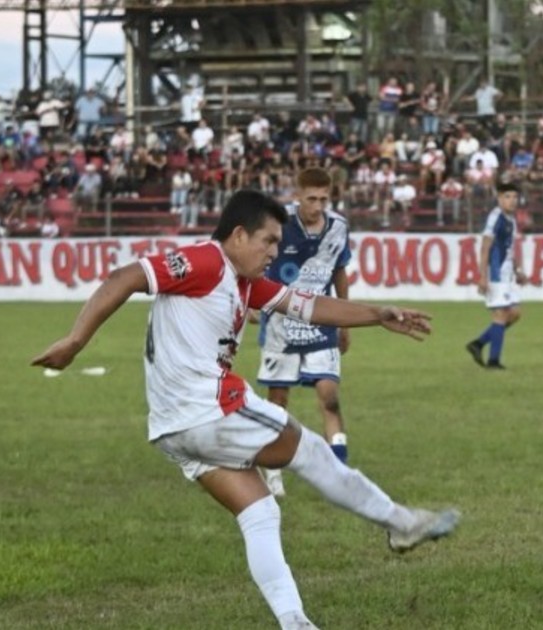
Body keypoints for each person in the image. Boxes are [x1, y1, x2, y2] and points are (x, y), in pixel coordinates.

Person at [31, 190, 459, 630]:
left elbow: (309, 306)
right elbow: (126, 276)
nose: (274, 252)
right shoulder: (206, 261)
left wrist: (378, 314)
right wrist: (75, 341)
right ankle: (400, 522)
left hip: (172, 430)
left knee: (260, 513)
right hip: (209, 412)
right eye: (268, 241)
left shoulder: (245, 282)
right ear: (238, 235)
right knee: (312, 451)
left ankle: (295, 622)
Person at [256, 168, 352, 498]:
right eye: (311, 199)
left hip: (321, 320)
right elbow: (257, 261)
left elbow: (340, 272)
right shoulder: (278, 224)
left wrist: (345, 319)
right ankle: (273, 472)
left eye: (324, 199)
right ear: (298, 196)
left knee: (330, 396)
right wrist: (253, 301)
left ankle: (340, 474)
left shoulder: (338, 227)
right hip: (280, 324)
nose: (318, 206)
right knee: (278, 401)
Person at [465, 182, 528, 370]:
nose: (512, 200)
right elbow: (485, 247)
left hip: (507, 273)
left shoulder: (511, 219)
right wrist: (482, 276)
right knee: (500, 314)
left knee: (514, 314)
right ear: (499, 198)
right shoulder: (495, 217)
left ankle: (478, 344)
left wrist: (518, 270)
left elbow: (510, 248)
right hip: (496, 273)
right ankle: (494, 361)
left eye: (515, 197)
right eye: (508, 197)